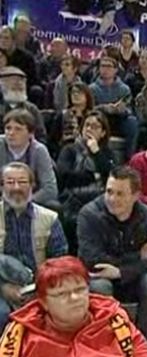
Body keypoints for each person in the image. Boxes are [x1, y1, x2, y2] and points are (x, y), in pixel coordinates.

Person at [0, 256, 147, 357]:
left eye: (80, 289)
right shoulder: (17, 336)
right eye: (62, 294)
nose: (74, 298)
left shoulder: (116, 323)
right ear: (43, 302)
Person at [77, 166, 147, 349]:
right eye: (109, 192)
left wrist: (120, 272)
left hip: (130, 278)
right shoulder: (89, 214)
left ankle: (145, 349)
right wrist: (138, 256)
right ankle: (107, 349)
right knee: (101, 285)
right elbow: (93, 260)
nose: (112, 199)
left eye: (120, 194)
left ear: (135, 196)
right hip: (100, 278)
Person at [0, 162, 68, 329]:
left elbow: (60, 262)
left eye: (22, 182)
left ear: (32, 186)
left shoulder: (49, 218)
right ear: (1, 187)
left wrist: (40, 289)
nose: (16, 187)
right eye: (10, 182)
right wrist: (3, 289)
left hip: (41, 286)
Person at [57, 111, 114, 251]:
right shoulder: (69, 150)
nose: (89, 129)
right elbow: (64, 177)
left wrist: (96, 152)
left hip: (100, 198)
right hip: (73, 197)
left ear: (103, 133)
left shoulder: (105, 153)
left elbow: (112, 177)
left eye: (94, 127)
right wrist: (93, 176)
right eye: (87, 125)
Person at [0, 109, 58, 208]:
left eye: (18, 129)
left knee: (53, 205)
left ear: (31, 134)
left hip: (30, 199)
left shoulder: (39, 150)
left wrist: (24, 202)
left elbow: (50, 189)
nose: (11, 133)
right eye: (8, 128)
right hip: (2, 198)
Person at [89, 56, 139, 158]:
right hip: (101, 118)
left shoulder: (124, 89)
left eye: (109, 66)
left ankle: (129, 158)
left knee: (132, 122)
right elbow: (89, 108)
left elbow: (129, 109)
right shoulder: (92, 88)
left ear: (116, 70)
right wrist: (105, 108)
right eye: (102, 66)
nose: (105, 69)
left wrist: (122, 109)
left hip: (118, 119)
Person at [49, 82, 94, 159]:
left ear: (87, 96)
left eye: (79, 92)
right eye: (73, 92)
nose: (76, 95)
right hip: (66, 154)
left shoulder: (93, 116)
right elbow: (52, 140)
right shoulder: (62, 115)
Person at [0, 67, 46, 142]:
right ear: (3, 84)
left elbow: (41, 136)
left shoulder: (32, 109)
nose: (19, 84)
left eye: (22, 81)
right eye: (14, 80)